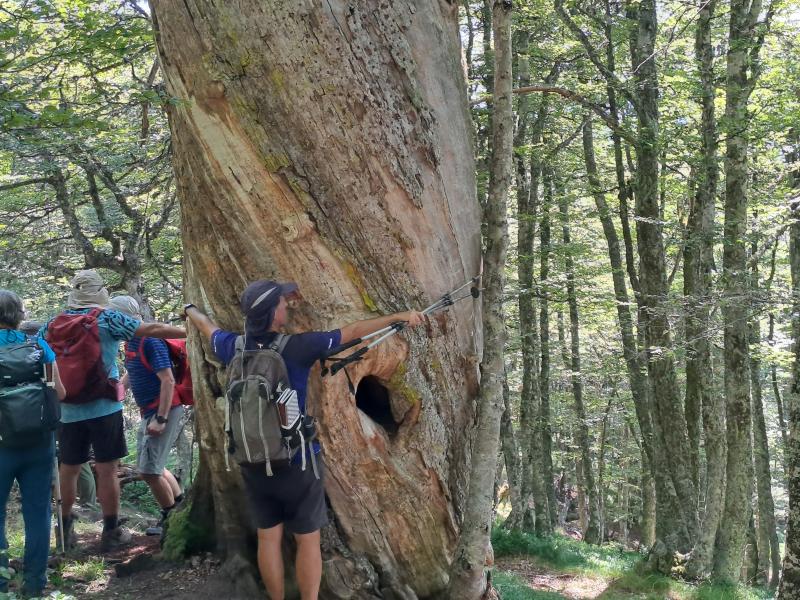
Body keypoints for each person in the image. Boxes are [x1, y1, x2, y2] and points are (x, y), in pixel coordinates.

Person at [183, 280, 425, 600]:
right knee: (307, 540)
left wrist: (190, 309)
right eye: (282, 303)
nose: (287, 306)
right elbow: (352, 332)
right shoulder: (298, 347)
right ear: (273, 313)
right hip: (297, 460)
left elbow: (207, 327)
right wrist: (401, 316)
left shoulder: (232, 346)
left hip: (252, 461)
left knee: (268, 538)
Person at [42, 270, 185, 552]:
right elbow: (150, 330)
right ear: (99, 294)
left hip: (67, 408)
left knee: (68, 469)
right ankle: (111, 531)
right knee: (108, 470)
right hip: (104, 406)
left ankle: (65, 531)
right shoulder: (107, 318)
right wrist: (191, 331)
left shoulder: (53, 323)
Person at [0, 290, 66, 597]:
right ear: (19, 315)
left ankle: (1, 583)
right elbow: (60, 393)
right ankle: (35, 583)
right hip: (40, 442)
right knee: (38, 512)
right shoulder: (38, 345)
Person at [108, 296, 184, 536]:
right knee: (154, 467)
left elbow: (168, 380)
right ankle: (179, 508)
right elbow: (133, 370)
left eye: (113, 318)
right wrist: (118, 390)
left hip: (163, 411)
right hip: (150, 411)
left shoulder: (150, 340)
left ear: (123, 318)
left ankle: (170, 521)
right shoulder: (131, 341)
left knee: (149, 472)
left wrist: (160, 419)